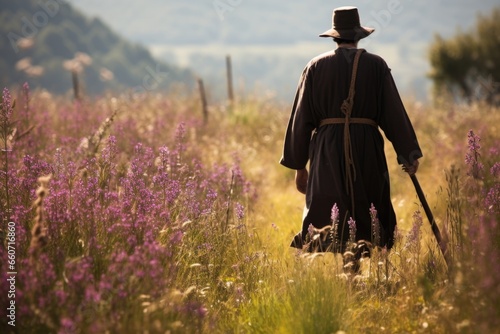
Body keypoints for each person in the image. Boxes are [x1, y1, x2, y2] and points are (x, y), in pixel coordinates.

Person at [280, 6, 422, 261]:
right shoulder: (376, 65)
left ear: (335, 36)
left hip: (326, 150)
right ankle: (353, 269)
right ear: (358, 35)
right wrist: (408, 153)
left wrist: (299, 166)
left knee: (331, 206)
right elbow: (394, 114)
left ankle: (349, 269)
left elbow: (301, 120)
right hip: (366, 147)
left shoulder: (315, 67)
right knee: (367, 204)